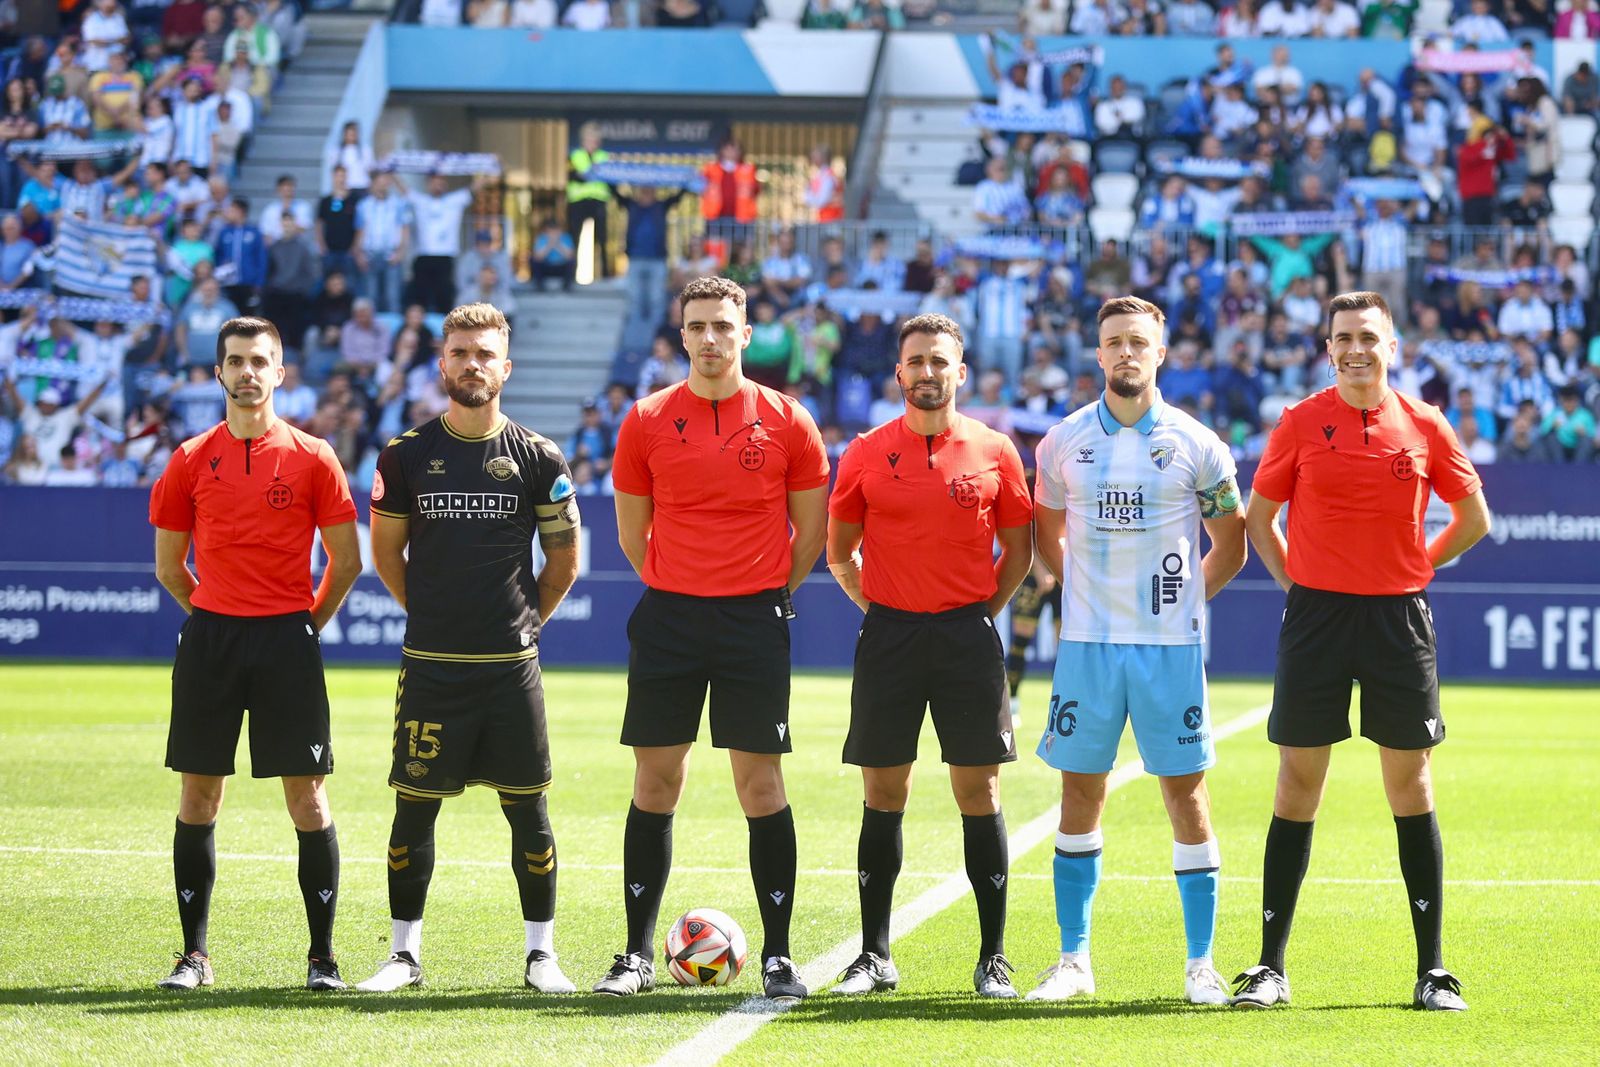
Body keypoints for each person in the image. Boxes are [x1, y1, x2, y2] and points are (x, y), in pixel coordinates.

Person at [1235, 291, 1491, 1013]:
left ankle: (1433, 970)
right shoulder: (1299, 420)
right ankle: (1270, 967)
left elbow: (1474, 515)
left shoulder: (1426, 424)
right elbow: (1260, 518)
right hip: (1316, 618)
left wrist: (1421, 563)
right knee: (1297, 783)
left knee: (1410, 784)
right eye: (1343, 336)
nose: (1356, 348)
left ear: (1392, 344)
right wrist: (1297, 583)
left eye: (1369, 337)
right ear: (1327, 347)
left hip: (1398, 620)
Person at [595, 275, 828, 1001]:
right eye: (697, 326)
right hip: (669, 618)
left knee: (760, 785)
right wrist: (682, 581)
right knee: (655, 782)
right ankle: (634, 953)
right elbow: (634, 536)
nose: (710, 338)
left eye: (723, 326)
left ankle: (780, 956)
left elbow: (811, 534)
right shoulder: (646, 418)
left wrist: (760, 592)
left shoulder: (790, 419)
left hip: (753, 619)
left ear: (746, 333)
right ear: (681, 332)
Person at [1026, 295, 1247, 1005]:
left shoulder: (1198, 443)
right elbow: (1046, 530)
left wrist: (1185, 601)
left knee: (1185, 793)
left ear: (1160, 353)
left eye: (1139, 342)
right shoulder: (1062, 442)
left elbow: (1232, 543)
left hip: (1167, 651)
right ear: (1098, 354)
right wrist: (1079, 589)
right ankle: (1073, 961)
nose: (1127, 352)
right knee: (1079, 791)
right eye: (1115, 341)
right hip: (1087, 646)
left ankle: (1201, 965)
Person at [357, 301, 582, 994]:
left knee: (529, 811)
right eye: (460, 353)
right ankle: (403, 955)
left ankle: (542, 956)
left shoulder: (539, 457)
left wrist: (523, 623)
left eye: (485, 353)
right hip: (431, 670)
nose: (472, 363)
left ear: (505, 367)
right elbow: (386, 554)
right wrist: (430, 613)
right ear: (442, 363)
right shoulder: (405, 455)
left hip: (511, 671)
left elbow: (564, 558)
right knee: (413, 809)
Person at [147, 317, 362, 991]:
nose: (247, 372)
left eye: (259, 361)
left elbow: (346, 563)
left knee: (308, 799)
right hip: (212, 638)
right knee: (199, 794)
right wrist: (216, 617)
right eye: (235, 360)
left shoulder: (312, 456)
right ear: (217, 372)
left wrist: (303, 624)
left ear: (279, 372)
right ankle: (194, 955)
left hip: (286, 639)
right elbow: (169, 567)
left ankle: (322, 957)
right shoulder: (188, 458)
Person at [824, 313, 1034, 999]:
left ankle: (993, 957)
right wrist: (882, 609)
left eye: (940, 361)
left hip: (967, 637)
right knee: (885, 791)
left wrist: (978, 614)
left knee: (980, 791)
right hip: (890, 637)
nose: (927, 372)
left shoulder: (996, 450)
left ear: (960, 372)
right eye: (916, 361)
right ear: (899, 372)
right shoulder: (863, 452)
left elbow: (1021, 551)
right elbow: (839, 552)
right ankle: (874, 954)